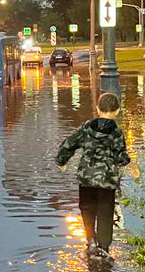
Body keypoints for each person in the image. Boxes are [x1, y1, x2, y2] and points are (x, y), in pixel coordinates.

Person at [55, 92, 131, 257]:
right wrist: (128, 162)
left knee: (87, 209)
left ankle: (90, 241)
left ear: (97, 108)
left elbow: (69, 144)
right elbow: (121, 157)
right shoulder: (116, 133)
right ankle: (103, 248)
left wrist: (61, 161)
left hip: (86, 178)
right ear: (117, 111)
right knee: (105, 212)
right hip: (107, 181)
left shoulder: (86, 128)